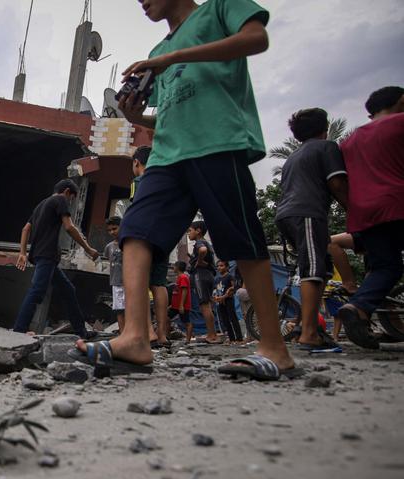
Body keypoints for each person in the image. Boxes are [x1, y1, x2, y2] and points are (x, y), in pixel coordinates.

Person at [77, 0, 298, 380]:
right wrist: (133, 117)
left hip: (216, 141)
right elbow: (168, 111)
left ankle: (276, 350)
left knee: (241, 237)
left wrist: (175, 57)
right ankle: (135, 337)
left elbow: (256, 38)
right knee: (134, 231)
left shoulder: (218, 10)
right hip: (166, 154)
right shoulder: (157, 53)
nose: (141, 3)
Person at [336, 86, 404, 349]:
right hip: (398, 202)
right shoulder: (400, 123)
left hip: (366, 212)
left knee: (386, 266)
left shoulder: (349, 141)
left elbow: (342, 182)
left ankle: (359, 308)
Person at [275, 107, 348, 349]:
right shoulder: (326, 147)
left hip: (288, 215)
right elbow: (337, 183)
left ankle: (306, 327)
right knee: (313, 269)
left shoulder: (292, 157)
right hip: (306, 213)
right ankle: (308, 333)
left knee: (321, 269)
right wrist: (354, 210)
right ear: (324, 129)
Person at [13, 179, 100, 338]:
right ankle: (19, 330)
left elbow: (26, 229)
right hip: (47, 254)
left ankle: (81, 332)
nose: (70, 202)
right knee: (37, 291)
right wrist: (88, 249)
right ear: (67, 192)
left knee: (68, 290)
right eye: (71, 198)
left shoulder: (41, 204)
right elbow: (69, 227)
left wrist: (22, 253)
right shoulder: (60, 200)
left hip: (41, 256)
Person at [187, 221, 219, 344]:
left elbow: (202, 250)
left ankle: (212, 336)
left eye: (190, 230)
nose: (189, 233)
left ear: (198, 231)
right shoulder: (208, 243)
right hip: (209, 275)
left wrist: (199, 261)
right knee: (208, 305)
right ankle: (213, 334)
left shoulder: (200, 243)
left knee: (204, 306)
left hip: (201, 275)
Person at [213, 259, 243, 343]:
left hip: (228, 300)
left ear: (226, 267)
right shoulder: (217, 279)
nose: (219, 267)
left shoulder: (229, 276)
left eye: (221, 265)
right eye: (218, 266)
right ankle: (231, 338)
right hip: (220, 302)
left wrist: (224, 296)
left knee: (233, 319)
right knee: (225, 320)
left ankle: (239, 338)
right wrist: (216, 297)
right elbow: (215, 290)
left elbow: (234, 288)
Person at [104, 217, 125, 332]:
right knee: (119, 309)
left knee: (130, 309)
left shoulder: (128, 243)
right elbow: (109, 259)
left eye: (114, 229)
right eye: (109, 230)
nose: (112, 232)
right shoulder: (109, 247)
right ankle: (122, 333)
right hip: (116, 282)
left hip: (128, 281)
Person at [168, 260, 192, 340]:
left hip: (182, 306)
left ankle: (188, 340)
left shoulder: (183, 277)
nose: (173, 268)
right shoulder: (179, 277)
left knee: (187, 322)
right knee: (166, 318)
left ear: (177, 268)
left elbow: (184, 291)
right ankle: (167, 336)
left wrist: (181, 305)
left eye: (174, 266)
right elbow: (178, 292)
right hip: (175, 306)